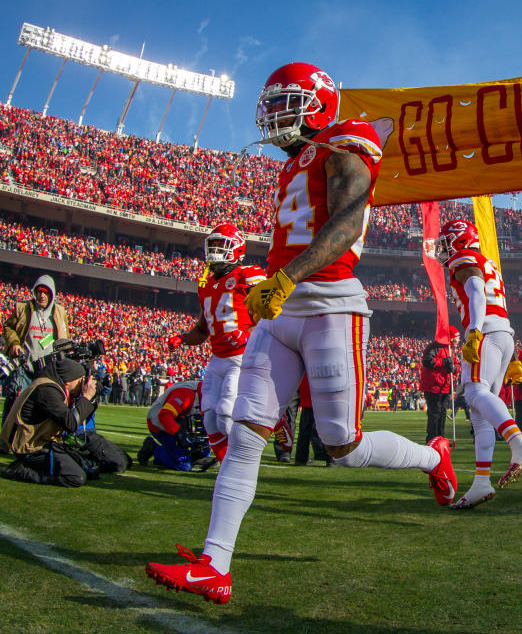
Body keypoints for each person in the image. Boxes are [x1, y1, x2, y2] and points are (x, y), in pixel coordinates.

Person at [146, 62, 456, 603]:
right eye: (272, 103)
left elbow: (346, 223)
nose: (273, 113)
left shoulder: (344, 144)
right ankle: (215, 564)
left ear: (320, 104)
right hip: (280, 309)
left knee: (344, 446)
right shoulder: (295, 164)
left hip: (331, 305)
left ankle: (434, 457)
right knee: (245, 436)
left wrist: (283, 278)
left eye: (287, 101)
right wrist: (275, 282)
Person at [434, 219, 522, 510]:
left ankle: (518, 441)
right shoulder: (488, 261)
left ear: (460, 241)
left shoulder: (463, 258)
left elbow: (478, 294)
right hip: (502, 332)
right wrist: (514, 355)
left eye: (447, 242)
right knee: (480, 412)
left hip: (486, 332)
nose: (443, 249)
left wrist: (474, 332)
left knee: (474, 393)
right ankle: (482, 482)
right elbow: (497, 305)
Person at [167, 224, 266, 464]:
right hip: (218, 358)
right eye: (212, 245)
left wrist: (249, 334)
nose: (215, 250)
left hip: (241, 355)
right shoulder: (206, 285)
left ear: (237, 247)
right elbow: (202, 329)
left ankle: (243, 462)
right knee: (209, 417)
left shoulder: (248, 274)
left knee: (225, 414)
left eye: (221, 245)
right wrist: (183, 338)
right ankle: (226, 466)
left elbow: (272, 315)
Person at [0, 357, 127, 486]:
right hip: (29, 448)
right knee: (75, 477)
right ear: (69, 381)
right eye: (80, 381)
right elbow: (70, 424)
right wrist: (86, 397)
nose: (81, 385)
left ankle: (32, 467)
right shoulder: (47, 390)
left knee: (88, 466)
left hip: (40, 442)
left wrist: (90, 399)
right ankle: (21, 471)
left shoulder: (51, 386)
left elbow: (77, 420)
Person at [137, 380, 214, 472]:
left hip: (182, 424)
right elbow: (165, 416)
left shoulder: (205, 393)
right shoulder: (185, 394)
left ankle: (192, 456)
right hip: (161, 426)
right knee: (183, 465)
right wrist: (180, 435)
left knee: (201, 452)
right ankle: (154, 449)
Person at [2, 275, 70, 363]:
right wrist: (14, 343)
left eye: (46, 293)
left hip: (49, 367)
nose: (42, 295)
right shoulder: (23, 308)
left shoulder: (60, 312)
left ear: (52, 294)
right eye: (40, 292)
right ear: (35, 292)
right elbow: (8, 327)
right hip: (24, 364)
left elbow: (66, 338)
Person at [420, 326, 460, 443]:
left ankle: (441, 437)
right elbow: (427, 362)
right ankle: (432, 438)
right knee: (434, 413)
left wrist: (454, 368)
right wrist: (443, 362)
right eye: (457, 337)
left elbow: (457, 365)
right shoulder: (434, 347)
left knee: (442, 413)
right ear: (451, 338)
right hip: (433, 386)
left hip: (445, 386)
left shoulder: (450, 349)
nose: (459, 340)